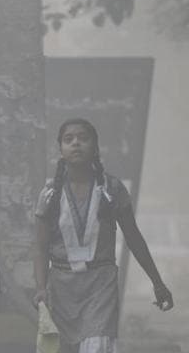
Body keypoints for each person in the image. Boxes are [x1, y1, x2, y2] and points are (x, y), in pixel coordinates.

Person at [33, 118, 174, 353]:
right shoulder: (49, 194)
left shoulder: (112, 189)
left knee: (97, 347)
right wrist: (40, 287)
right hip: (61, 288)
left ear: (95, 147)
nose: (76, 143)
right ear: (60, 149)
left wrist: (157, 282)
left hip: (100, 285)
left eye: (83, 138)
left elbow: (134, 238)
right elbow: (39, 246)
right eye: (69, 139)